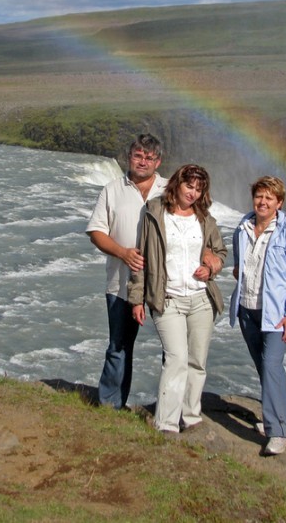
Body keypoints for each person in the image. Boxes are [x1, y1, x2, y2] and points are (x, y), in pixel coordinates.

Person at [127, 164, 227, 434]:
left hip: (200, 299)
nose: (193, 193)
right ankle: (166, 423)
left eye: (198, 189)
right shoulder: (154, 213)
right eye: (189, 186)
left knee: (197, 361)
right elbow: (140, 259)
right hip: (167, 298)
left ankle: (191, 417)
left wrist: (212, 266)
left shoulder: (205, 218)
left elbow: (220, 252)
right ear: (177, 184)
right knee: (176, 358)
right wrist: (137, 299)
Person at [229, 176, 286, 455]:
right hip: (247, 309)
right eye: (259, 196)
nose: (263, 202)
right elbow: (240, 266)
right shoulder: (242, 227)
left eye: (269, 198)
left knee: (271, 366)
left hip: (276, 315)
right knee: (266, 368)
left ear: (279, 202)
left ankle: (276, 432)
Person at [86, 134, 168, 410]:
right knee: (119, 347)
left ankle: (170, 409)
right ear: (129, 157)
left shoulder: (171, 190)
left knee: (175, 350)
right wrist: (123, 253)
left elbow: (197, 226)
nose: (143, 161)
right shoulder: (111, 190)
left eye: (149, 157)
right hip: (121, 284)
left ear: (158, 161)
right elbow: (96, 232)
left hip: (166, 285)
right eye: (138, 155)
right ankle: (111, 406)